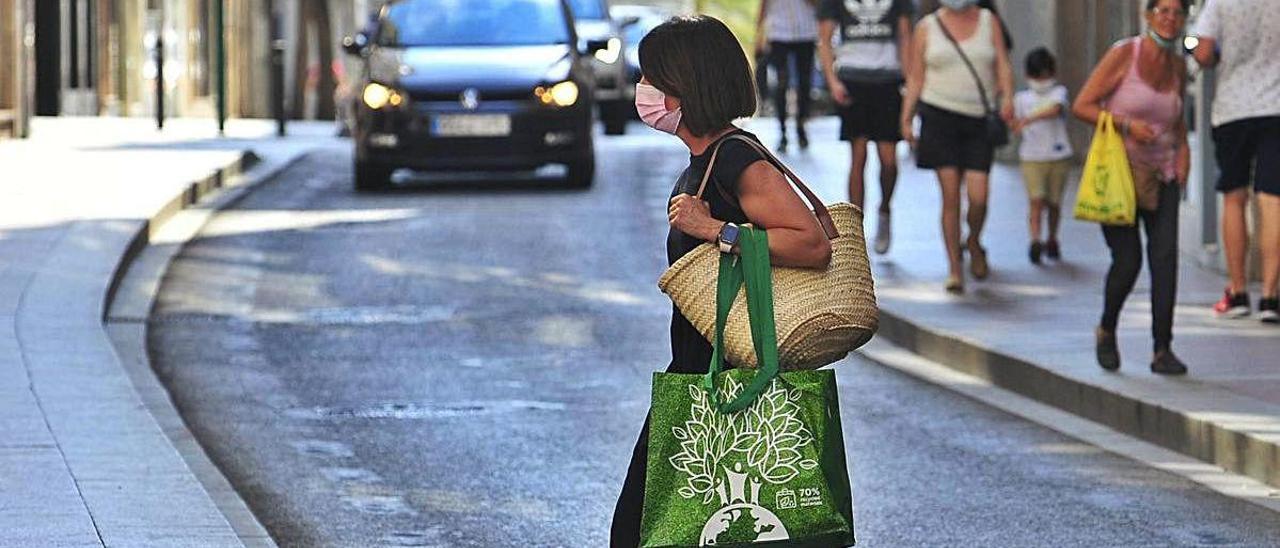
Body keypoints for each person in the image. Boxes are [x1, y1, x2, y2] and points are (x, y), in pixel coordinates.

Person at [611, 15, 833, 547]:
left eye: (651, 79)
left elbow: (810, 243)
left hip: (731, 382)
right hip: (697, 373)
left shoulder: (736, 159)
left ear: (685, 85)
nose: (642, 90)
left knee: (644, 531)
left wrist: (714, 229)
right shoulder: (707, 160)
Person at [1072, 0, 1191, 375]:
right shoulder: (1125, 53)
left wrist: (1184, 151)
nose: (1170, 20)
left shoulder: (1177, 65)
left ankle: (1162, 348)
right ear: (1148, 14)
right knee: (1128, 260)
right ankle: (1107, 328)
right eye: (1164, 11)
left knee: (1165, 259)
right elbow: (1082, 105)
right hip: (1119, 177)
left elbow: (1177, 119)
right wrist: (1126, 125)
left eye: (1178, 13)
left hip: (1163, 174)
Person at [899, 0, 1015, 293]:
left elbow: (1002, 62)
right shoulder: (927, 27)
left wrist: (1008, 98)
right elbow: (916, 75)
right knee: (950, 196)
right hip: (939, 117)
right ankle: (954, 268)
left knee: (979, 196)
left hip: (979, 119)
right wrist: (907, 117)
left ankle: (973, 240)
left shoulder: (989, 21)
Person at [1192, 0, 1280, 323]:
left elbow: (1202, 53)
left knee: (1234, 197)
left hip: (1232, 109)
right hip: (1275, 108)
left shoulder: (1220, 2)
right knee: (1272, 200)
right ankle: (1270, 297)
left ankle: (1238, 291)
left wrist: (1215, 56)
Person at [817, 0, 914, 255]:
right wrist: (832, 81)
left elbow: (905, 36)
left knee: (889, 161)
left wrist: (909, 81)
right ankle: (855, 229)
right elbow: (824, 39)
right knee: (858, 157)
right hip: (853, 79)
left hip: (889, 80)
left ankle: (885, 209)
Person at [1012, 47, 1073, 264]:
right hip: (1031, 157)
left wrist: (1028, 120)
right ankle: (1035, 239)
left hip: (1058, 155)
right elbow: (1012, 121)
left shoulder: (1059, 93)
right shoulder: (1021, 98)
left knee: (1054, 203)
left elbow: (1056, 109)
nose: (1042, 80)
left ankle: (1052, 237)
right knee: (1036, 200)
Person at [755, 0, 819, 152]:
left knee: (804, 84)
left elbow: (818, 4)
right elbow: (763, 5)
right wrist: (759, 35)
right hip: (779, 33)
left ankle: (801, 126)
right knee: (781, 82)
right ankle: (782, 131)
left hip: (806, 32)